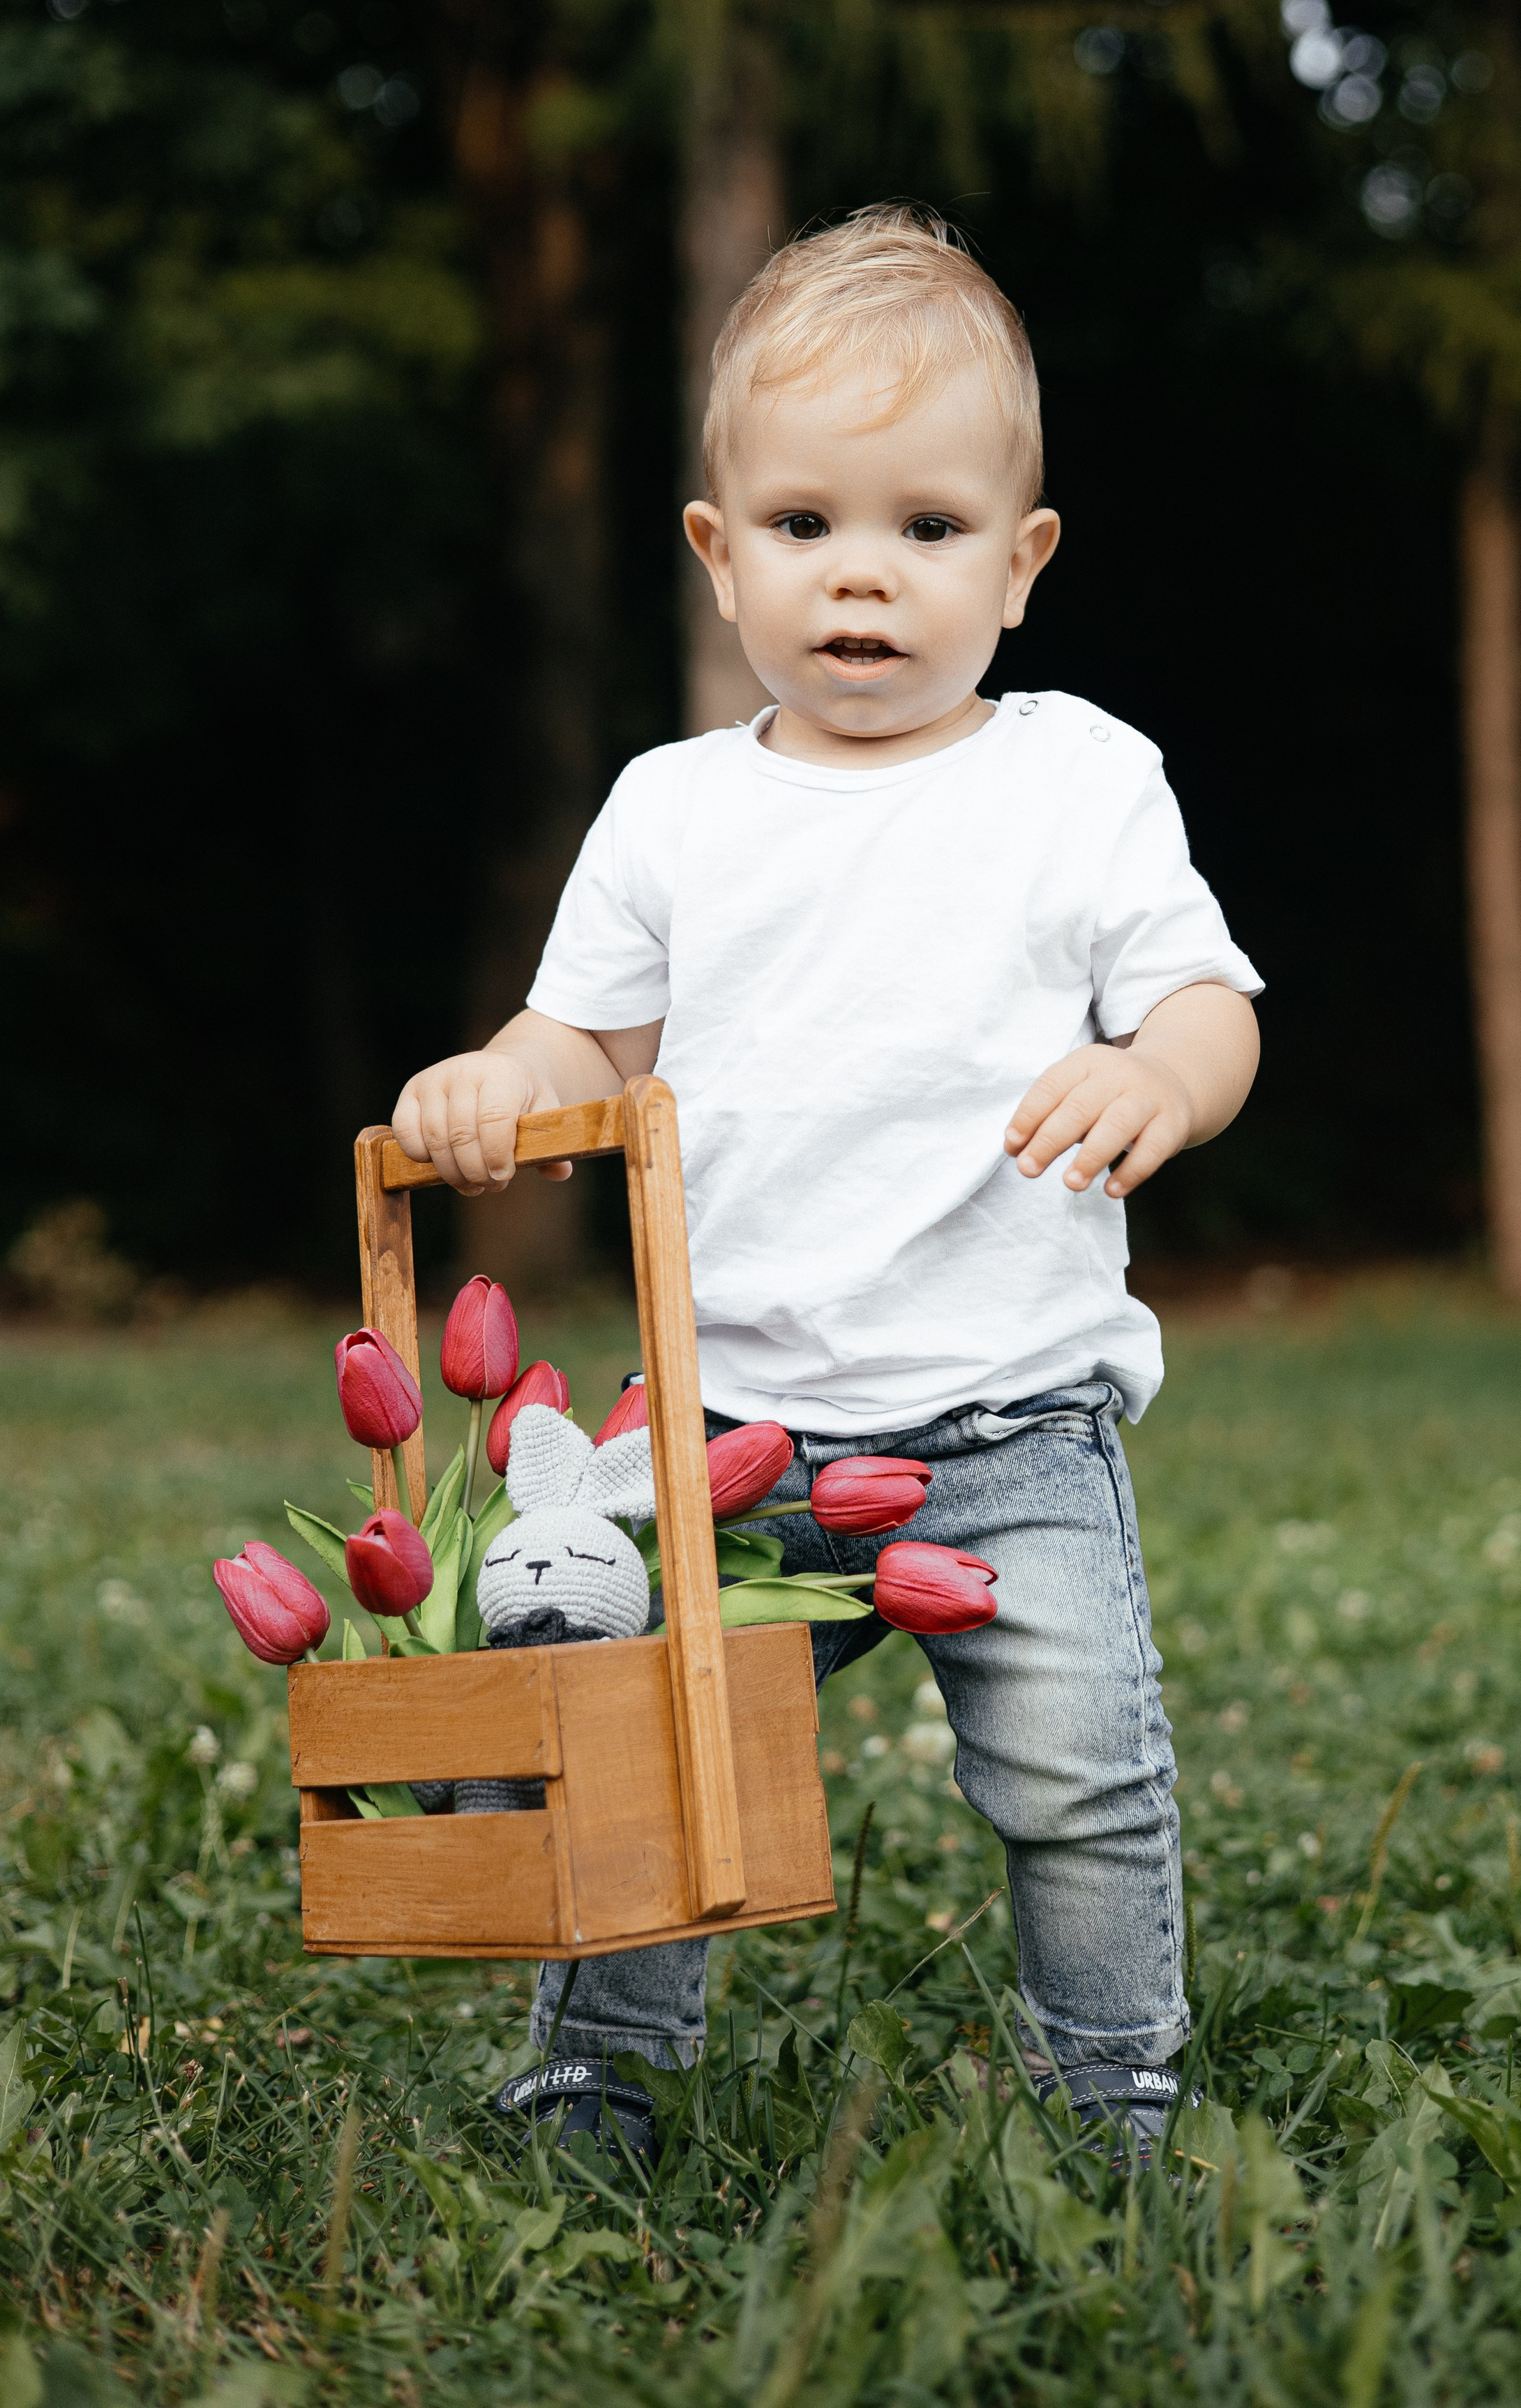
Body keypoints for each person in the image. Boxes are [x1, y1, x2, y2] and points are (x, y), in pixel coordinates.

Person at [393, 204, 1262, 2174]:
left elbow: (1212, 1000)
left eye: (929, 529)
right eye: (804, 527)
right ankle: (595, 2085)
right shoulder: (678, 810)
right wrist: (489, 1087)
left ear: (1021, 562)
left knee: (1081, 1780)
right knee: (660, 1760)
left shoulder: (1076, 780)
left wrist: (1161, 1077)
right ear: (718, 553)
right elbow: (580, 1049)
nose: (863, 575)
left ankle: (1112, 2103)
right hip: (736, 1427)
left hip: (1017, 1416)